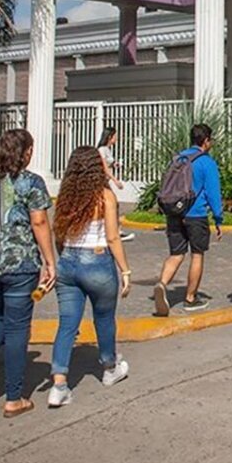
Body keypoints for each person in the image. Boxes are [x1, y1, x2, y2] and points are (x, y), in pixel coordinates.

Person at [0, 129, 56, 418]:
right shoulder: (31, 182)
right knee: (17, 328)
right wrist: (50, 261)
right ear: (25, 152)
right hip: (20, 264)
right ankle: (14, 397)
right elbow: (39, 222)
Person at [48, 146, 132, 408]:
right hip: (97, 261)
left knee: (67, 325)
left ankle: (59, 384)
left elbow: (58, 234)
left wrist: (62, 258)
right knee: (104, 318)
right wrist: (125, 270)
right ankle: (109, 367)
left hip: (68, 261)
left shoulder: (65, 197)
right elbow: (112, 237)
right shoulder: (105, 197)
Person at [152, 124, 223, 316]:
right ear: (206, 141)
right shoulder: (206, 162)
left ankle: (162, 284)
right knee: (197, 254)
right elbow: (213, 194)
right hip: (196, 214)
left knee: (176, 254)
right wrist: (218, 218)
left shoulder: (179, 158)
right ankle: (190, 298)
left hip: (175, 212)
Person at [96, 127, 135, 243]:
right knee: (112, 204)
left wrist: (116, 164)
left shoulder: (107, 150)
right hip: (101, 181)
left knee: (108, 205)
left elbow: (110, 164)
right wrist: (115, 180)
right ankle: (115, 231)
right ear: (109, 137)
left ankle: (111, 229)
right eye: (115, 136)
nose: (116, 138)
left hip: (105, 181)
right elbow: (104, 167)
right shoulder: (102, 150)